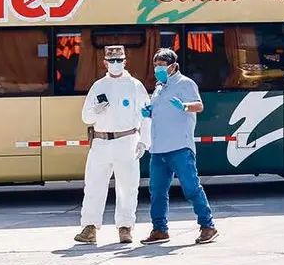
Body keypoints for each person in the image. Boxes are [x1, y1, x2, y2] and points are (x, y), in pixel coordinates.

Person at [139, 48, 219, 245]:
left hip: (180, 147)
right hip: (158, 149)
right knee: (157, 192)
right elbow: (159, 112)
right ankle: (159, 229)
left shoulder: (185, 83)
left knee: (191, 188)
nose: (158, 69)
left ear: (173, 66)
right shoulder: (159, 88)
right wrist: (149, 112)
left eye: (162, 66)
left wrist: (184, 106)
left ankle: (208, 225)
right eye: (156, 65)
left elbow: (199, 106)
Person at [74, 45, 151, 245]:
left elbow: (146, 115)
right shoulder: (98, 86)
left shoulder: (135, 85)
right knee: (93, 185)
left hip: (127, 139)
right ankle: (90, 227)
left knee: (128, 186)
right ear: (105, 63)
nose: (115, 64)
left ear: (125, 62)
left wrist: (144, 141)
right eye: (112, 61)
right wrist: (97, 110)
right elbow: (85, 117)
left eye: (119, 60)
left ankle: (125, 227)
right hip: (100, 141)